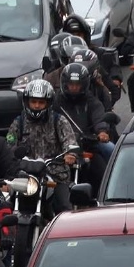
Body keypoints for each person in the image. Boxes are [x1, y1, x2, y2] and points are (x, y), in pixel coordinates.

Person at [10, 77, 80, 213]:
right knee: (7, 203)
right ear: (27, 102)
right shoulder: (19, 122)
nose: (36, 106)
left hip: (55, 175)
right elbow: (9, 146)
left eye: (41, 102)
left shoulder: (59, 121)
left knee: (65, 209)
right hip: (26, 175)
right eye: (33, 101)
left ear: (48, 103)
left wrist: (70, 154)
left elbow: (70, 142)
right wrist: (14, 153)